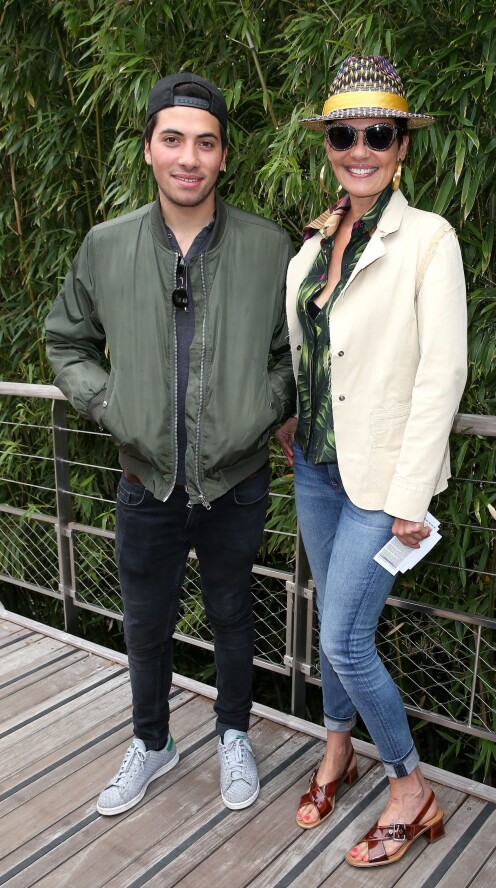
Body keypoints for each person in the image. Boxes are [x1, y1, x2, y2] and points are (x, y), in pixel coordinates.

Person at [45, 72, 295, 815]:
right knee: (146, 624)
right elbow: (66, 341)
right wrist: (111, 403)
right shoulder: (107, 244)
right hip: (144, 480)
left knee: (232, 616)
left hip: (236, 481)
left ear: (224, 157)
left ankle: (233, 734)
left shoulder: (267, 246)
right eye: (174, 139)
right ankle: (152, 741)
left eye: (206, 143)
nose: (190, 157)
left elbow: (294, 355)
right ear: (150, 149)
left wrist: (265, 405)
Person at [276, 56, 467, 867]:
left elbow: (443, 372)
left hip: (383, 482)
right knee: (331, 619)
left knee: (349, 639)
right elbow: (313, 349)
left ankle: (409, 786)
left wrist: (411, 494)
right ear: (327, 144)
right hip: (316, 466)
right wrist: (289, 421)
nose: (360, 148)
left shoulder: (428, 239)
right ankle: (336, 751)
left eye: (377, 134)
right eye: (344, 134)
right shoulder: (319, 239)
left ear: (400, 146)